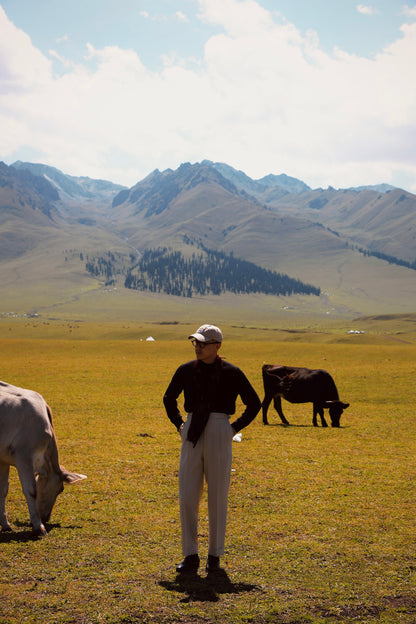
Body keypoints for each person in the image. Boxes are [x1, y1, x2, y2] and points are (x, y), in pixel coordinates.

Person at [163, 323, 261, 574]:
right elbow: (168, 398)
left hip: (220, 428)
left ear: (217, 346)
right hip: (192, 427)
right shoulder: (185, 370)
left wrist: (233, 428)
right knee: (187, 495)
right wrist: (179, 424)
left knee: (218, 495)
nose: (198, 347)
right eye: (196, 342)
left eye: (203, 343)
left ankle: (214, 557)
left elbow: (254, 403)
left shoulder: (232, 372)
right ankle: (190, 555)